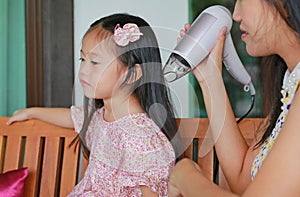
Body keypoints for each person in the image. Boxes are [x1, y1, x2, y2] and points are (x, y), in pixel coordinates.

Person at [7, 13, 182, 196]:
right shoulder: (101, 116)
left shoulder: (142, 137)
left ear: (133, 73)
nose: (83, 71)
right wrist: (31, 112)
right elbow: (72, 117)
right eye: (83, 60)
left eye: (95, 62)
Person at [168, 0, 300, 196]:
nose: (236, 15)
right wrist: (209, 77)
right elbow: (242, 179)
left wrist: (185, 174)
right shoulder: (290, 88)